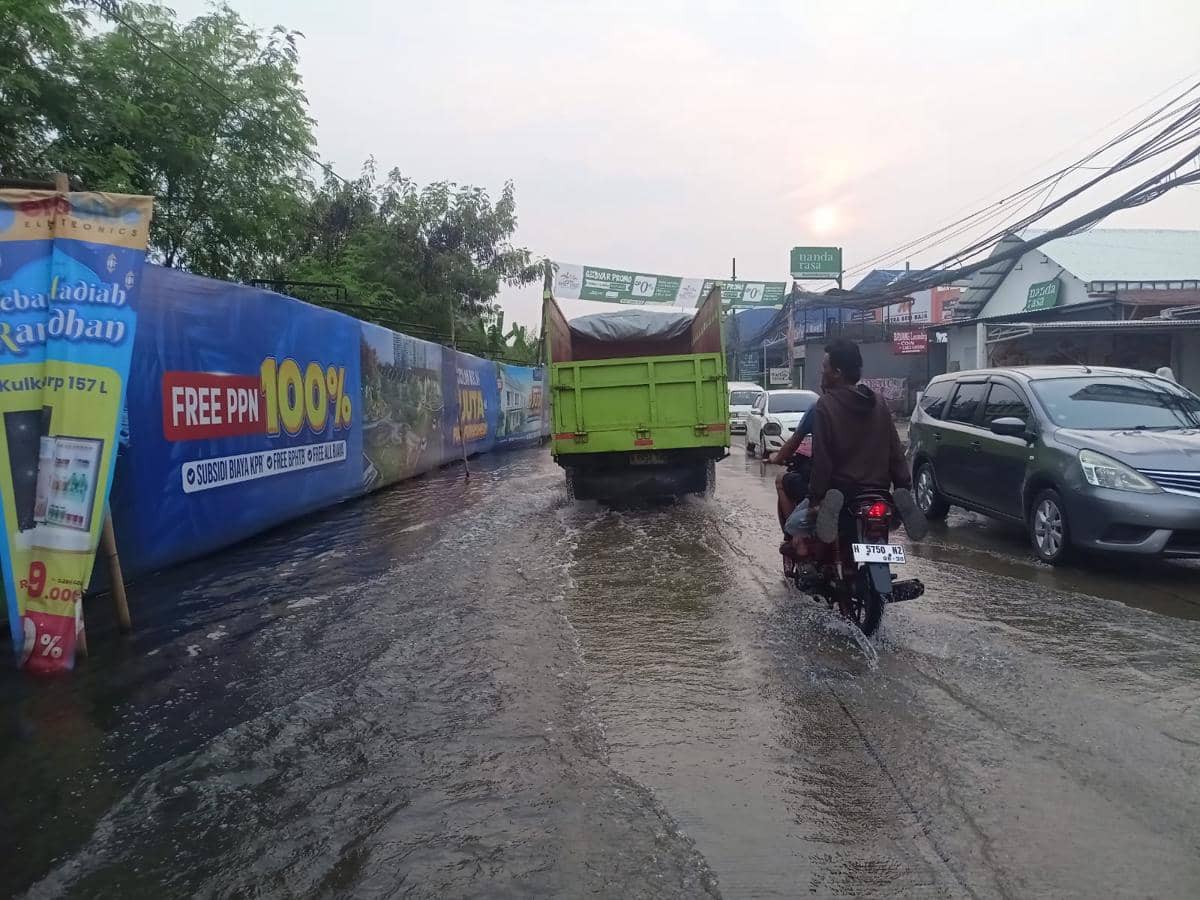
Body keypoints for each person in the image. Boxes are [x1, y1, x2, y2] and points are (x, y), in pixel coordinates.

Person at [782, 339, 925, 557]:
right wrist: (903, 486)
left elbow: (823, 459)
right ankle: (898, 508)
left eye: (824, 369)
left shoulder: (825, 405)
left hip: (843, 494)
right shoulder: (878, 402)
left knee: (793, 525)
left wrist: (816, 499)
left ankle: (821, 542)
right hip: (879, 492)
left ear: (837, 372)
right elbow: (895, 450)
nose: (822, 374)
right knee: (883, 514)